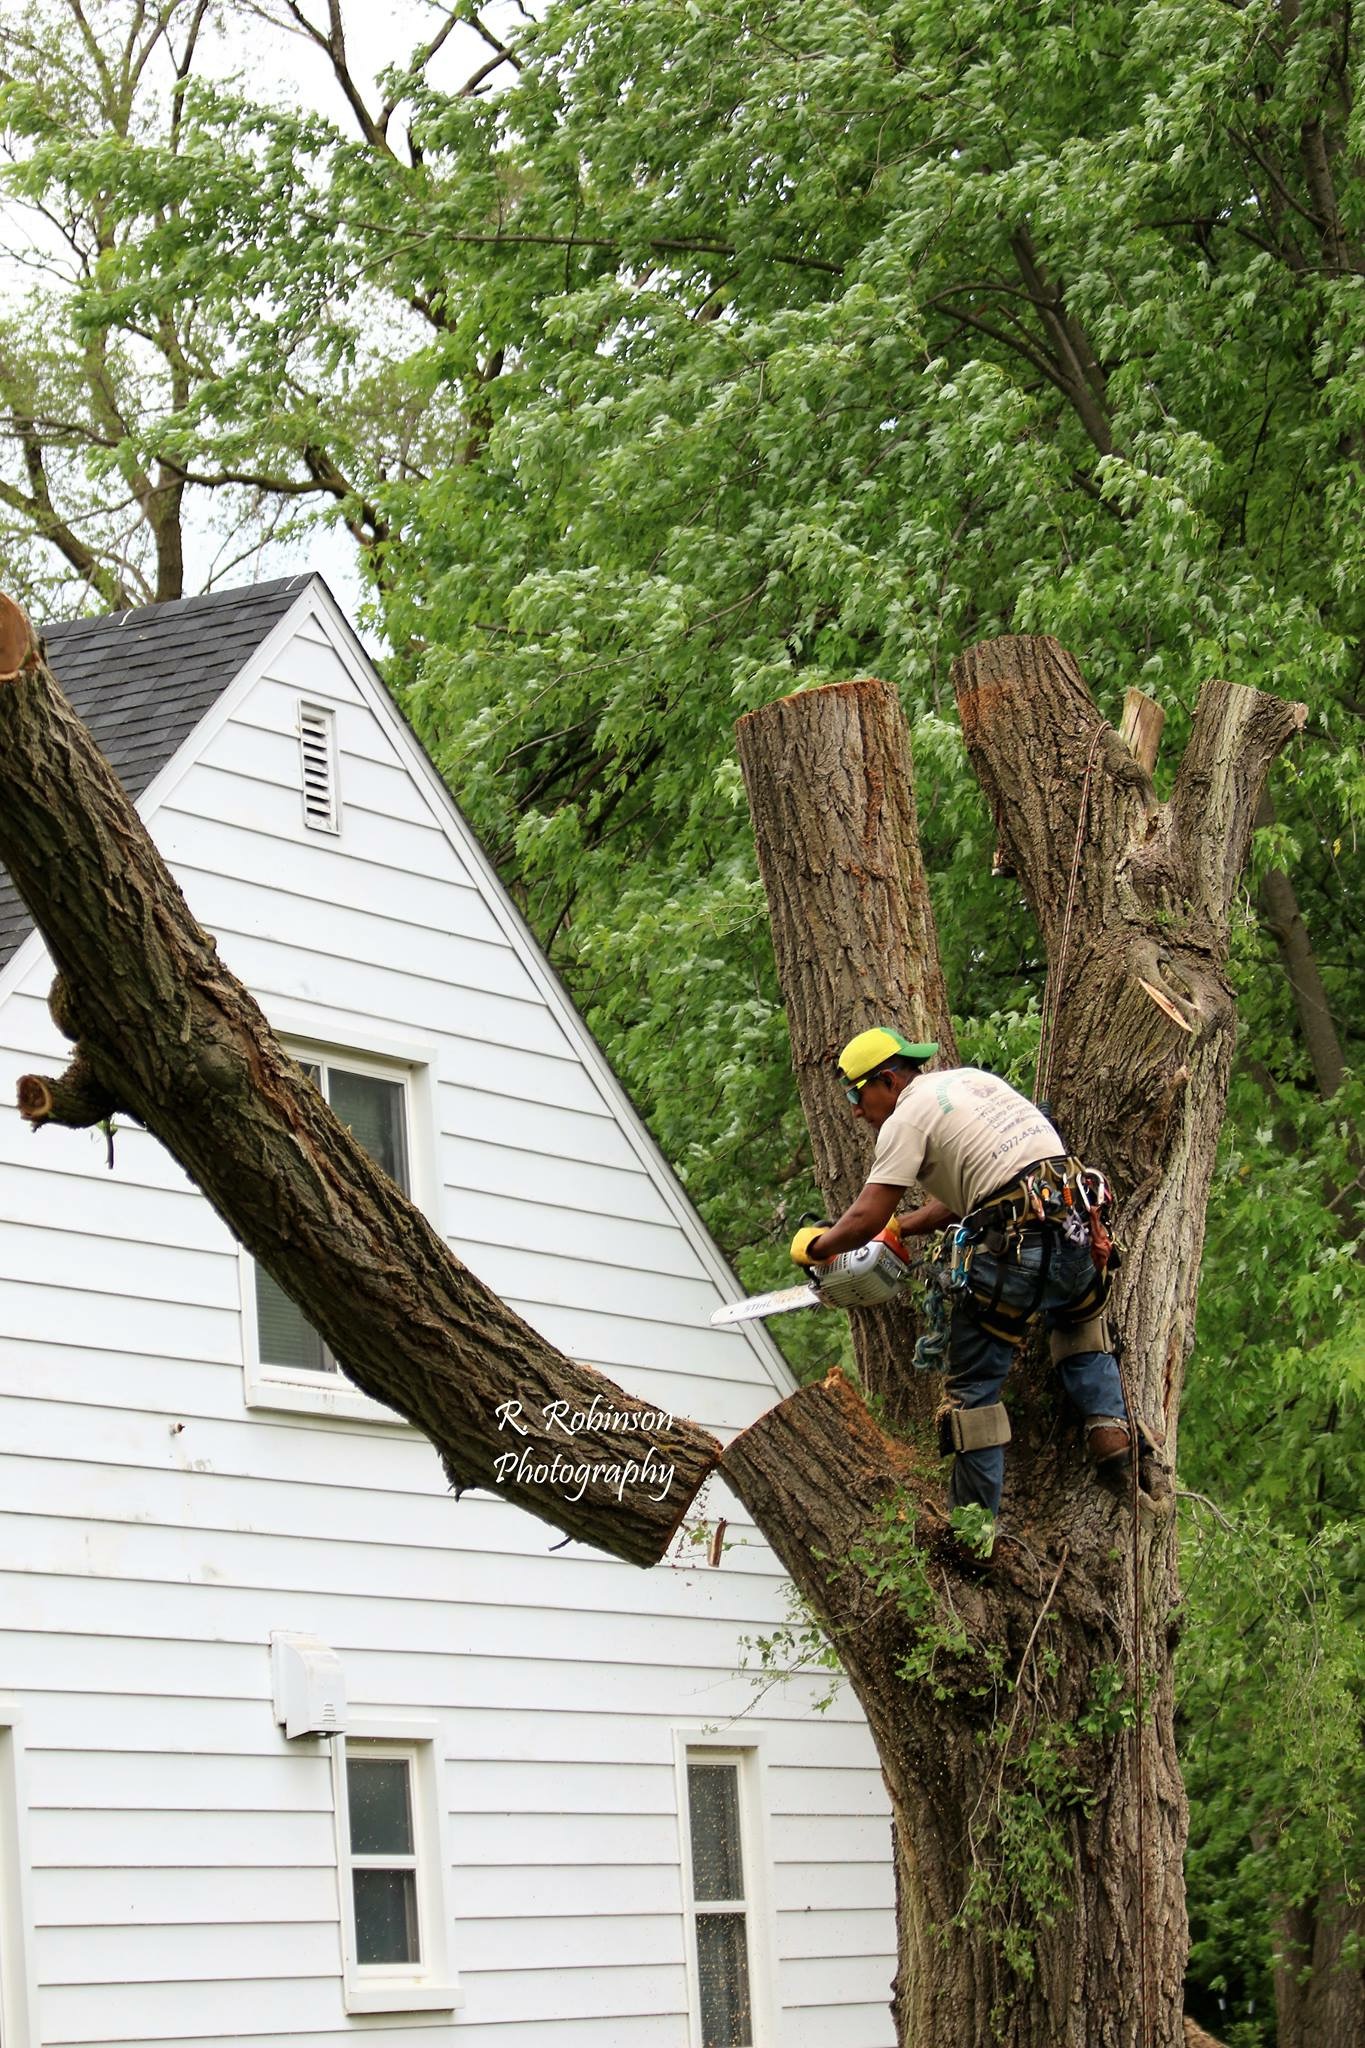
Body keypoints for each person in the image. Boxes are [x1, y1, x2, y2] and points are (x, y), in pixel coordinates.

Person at [791, 1027, 1150, 1525]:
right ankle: (1110, 1429)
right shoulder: (973, 1084)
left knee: (976, 1388)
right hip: (1073, 1230)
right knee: (1079, 1318)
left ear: (888, 1081)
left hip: (1013, 1250)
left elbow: (864, 1217)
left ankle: (975, 1531)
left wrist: (817, 1246)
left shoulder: (905, 1117)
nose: (855, 1109)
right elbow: (981, 1186)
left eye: (857, 1093)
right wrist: (904, 1227)